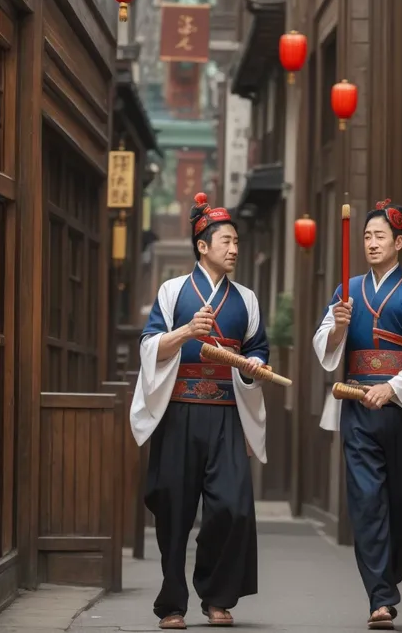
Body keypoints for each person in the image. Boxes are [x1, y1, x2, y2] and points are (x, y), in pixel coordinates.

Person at [130, 192, 270, 630]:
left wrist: (256, 366)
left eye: (236, 242)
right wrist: (187, 331)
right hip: (180, 412)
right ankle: (173, 603)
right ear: (202, 246)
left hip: (226, 414)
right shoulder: (173, 291)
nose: (233, 249)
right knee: (174, 508)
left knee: (232, 506)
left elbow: (257, 348)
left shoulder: (245, 298)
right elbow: (149, 346)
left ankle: (216, 595)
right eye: (226, 241)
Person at [313, 199, 402, 631]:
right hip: (357, 410)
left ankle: (388, 575)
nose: (370, 243)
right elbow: (326, 350)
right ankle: (381, 598)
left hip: (401, 409)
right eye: (366, 236)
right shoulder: (347, 290)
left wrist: (392, 388)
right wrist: (338, 326)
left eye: (379, 236)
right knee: (366, 502)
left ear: (398, 242)